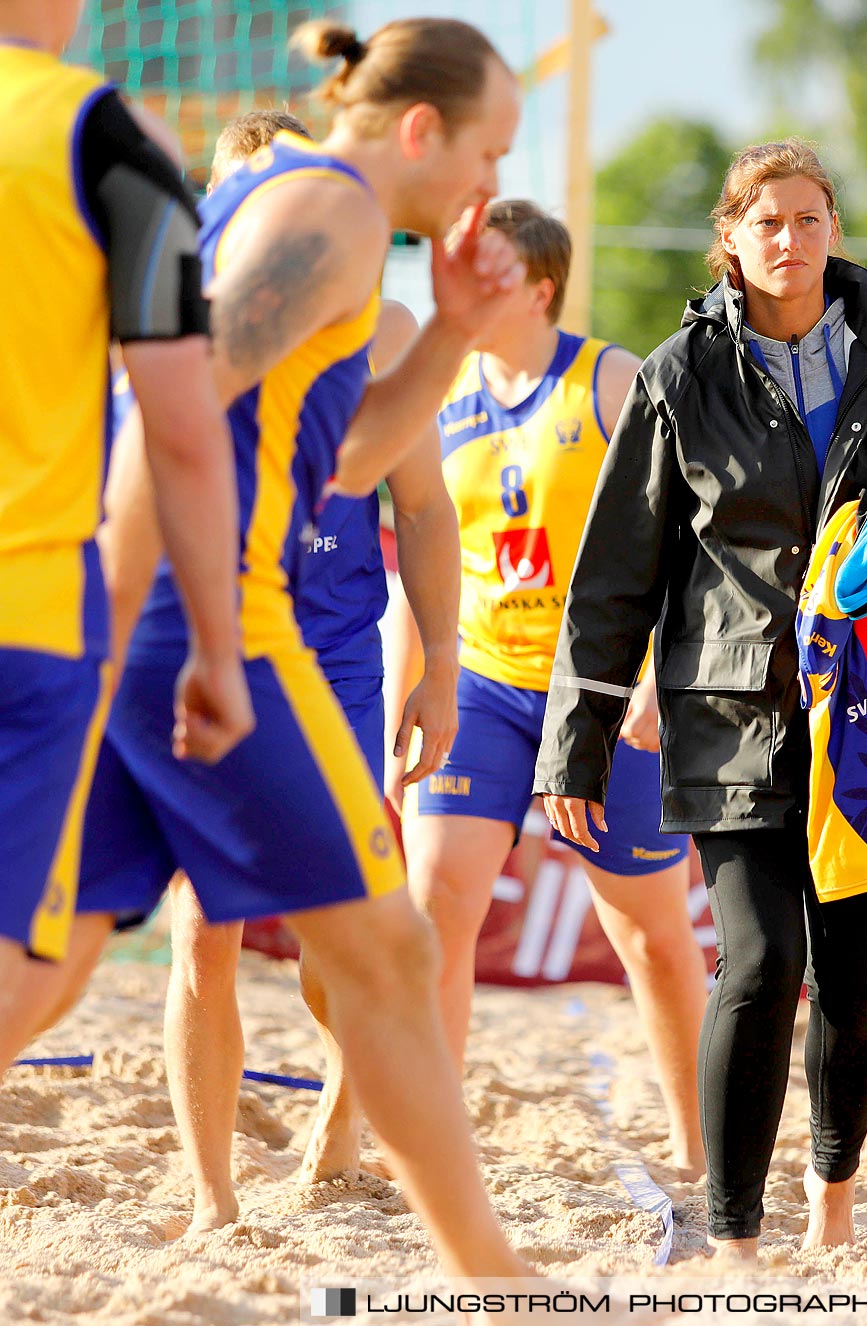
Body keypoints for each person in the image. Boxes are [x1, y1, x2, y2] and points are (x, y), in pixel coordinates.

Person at [4, 19, 536, 1281]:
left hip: (154, 620)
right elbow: (163, 417)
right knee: (387, 954)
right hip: (208, 621)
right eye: (489, 151)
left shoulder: (303, 207)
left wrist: (454, 329)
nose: (490, 187)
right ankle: (496, 1281)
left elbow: (345, 464)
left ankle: (490, 1275)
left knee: (52, 963)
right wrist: (145, 634)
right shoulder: (336, 214)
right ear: (421, 132)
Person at [534, 139, 867, 1259]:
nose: (788, 240)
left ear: (835, 228)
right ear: (729, 238)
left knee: (860, 970)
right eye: (766, 222)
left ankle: (831, 1207)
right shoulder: (675, 377)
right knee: (759, 963)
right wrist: (580, 744)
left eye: (808, 218)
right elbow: (615, 578)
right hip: (728, 710)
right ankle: (737, 1239)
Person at [304, 198, 711, 1183]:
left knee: (648, 934)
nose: (457, 287)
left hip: (604, 685)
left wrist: (665, 672)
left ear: (536, 286)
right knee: (434, 909)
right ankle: (415, 1143)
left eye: (484, 270)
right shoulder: (437, 397)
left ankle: (703, 1153)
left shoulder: (611, 379)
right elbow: (420, 562)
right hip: (482, 681)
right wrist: (414, 687)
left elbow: (698, 539)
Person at [154, 108, 468, 1231]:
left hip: (333, 655)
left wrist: (440, 666)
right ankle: (210, 1199)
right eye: (241, 194)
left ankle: (340, 1125)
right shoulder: (183, 319)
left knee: (346, 941)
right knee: (203, 927)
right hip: (212, 639)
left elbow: (425, 510)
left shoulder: (383, 330)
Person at [0, 0, 250, 1056]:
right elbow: (183, 427)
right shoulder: (104, 135)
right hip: (27, 609)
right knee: (28, 963)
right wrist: (216, 644)